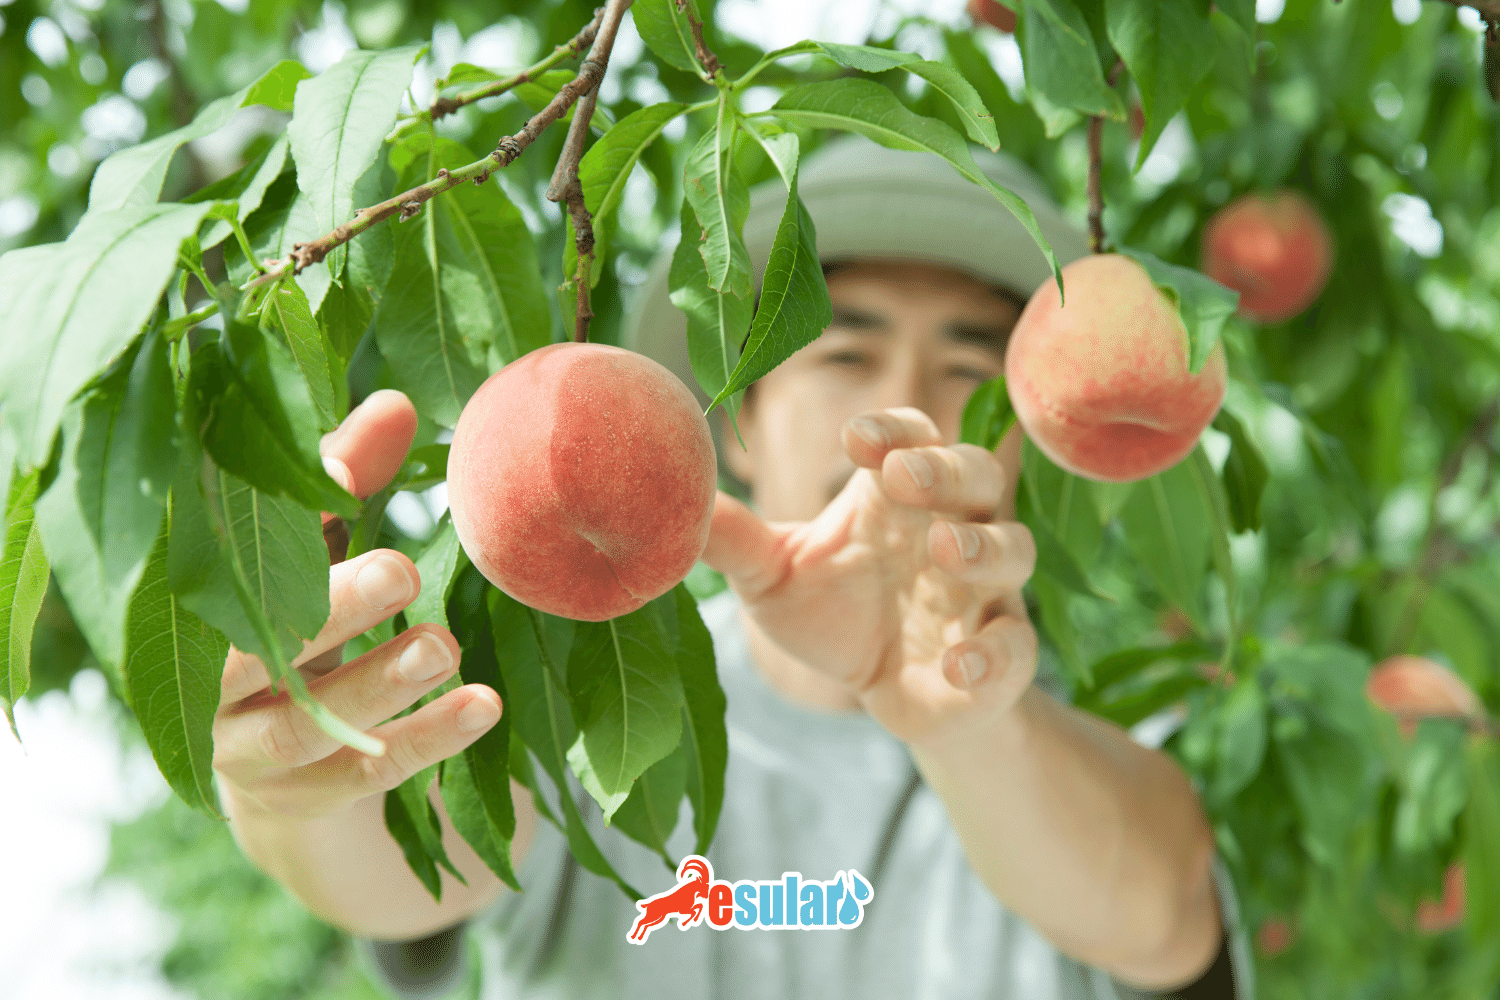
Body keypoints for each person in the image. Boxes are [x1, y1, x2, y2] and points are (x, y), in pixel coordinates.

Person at [213, 134, 1254, 1000]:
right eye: (846, 352)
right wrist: (293, 776)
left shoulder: (1096, 750)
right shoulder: (584, 707)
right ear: (739, 419)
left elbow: (1162, 912)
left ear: (1027, 439)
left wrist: (972, 725)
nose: (906, 399)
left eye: (972, 367)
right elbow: (404, 869)